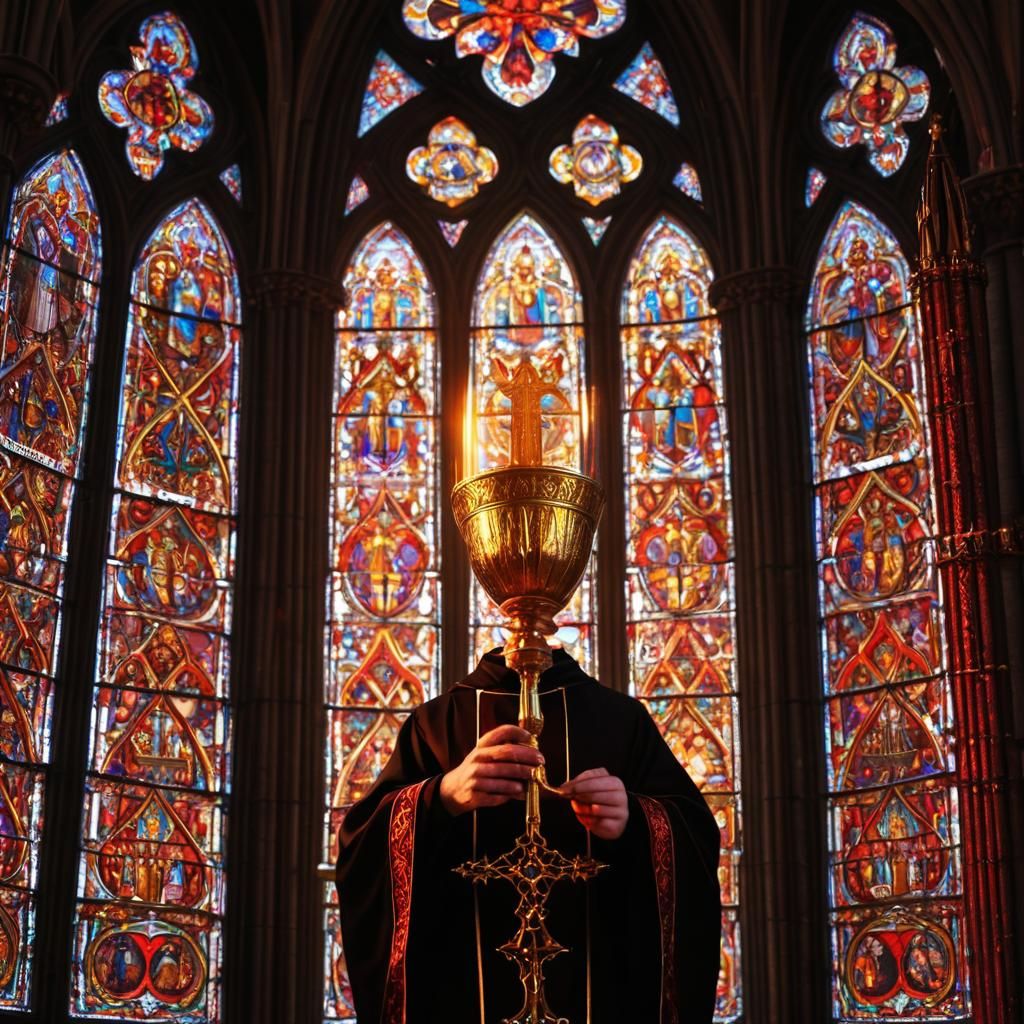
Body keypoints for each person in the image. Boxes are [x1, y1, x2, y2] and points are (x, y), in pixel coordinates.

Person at [336, 647, 722, 1024]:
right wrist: (442, 796)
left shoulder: (621, 720)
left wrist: (635, 818)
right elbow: (361, 848)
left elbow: (695, 838)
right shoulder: (435, 721)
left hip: (598, 987)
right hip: (462, 991)